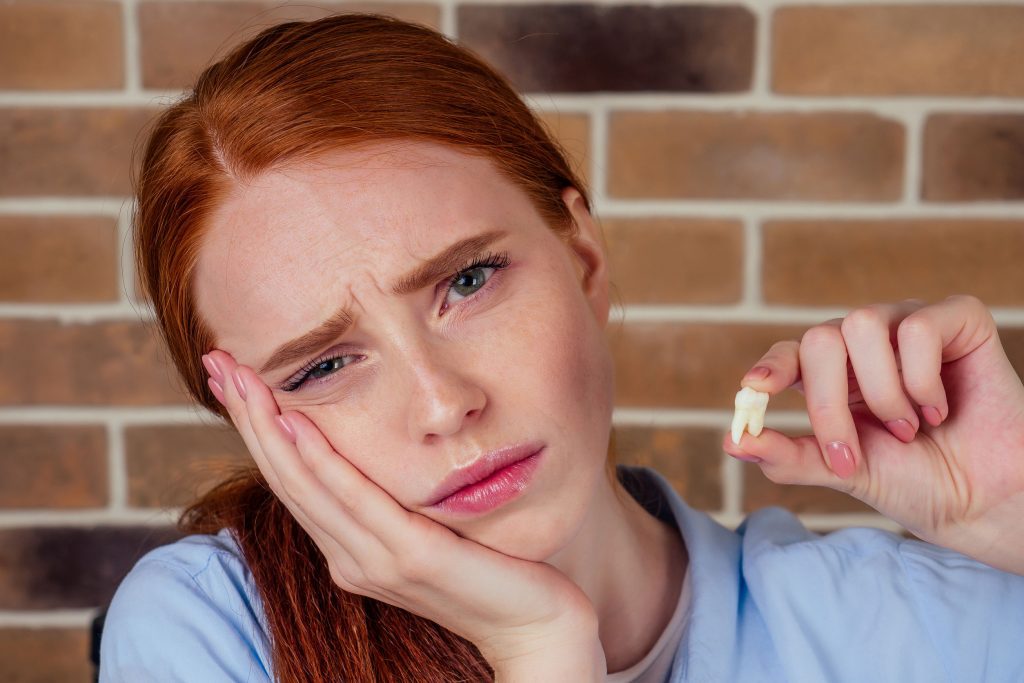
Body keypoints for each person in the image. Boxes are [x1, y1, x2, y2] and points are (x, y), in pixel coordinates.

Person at [99, 13, 1024, 683]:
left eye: (469, 281)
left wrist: (1012, 511)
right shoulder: (210, 634)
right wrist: (540, 648)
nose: (442, 403)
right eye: (324, 366)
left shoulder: (910, 626)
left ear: (583, 259)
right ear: (256, 422)